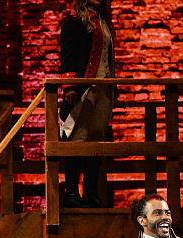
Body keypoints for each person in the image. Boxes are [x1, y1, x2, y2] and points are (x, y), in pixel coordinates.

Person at [57, 0, 115, 208]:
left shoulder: (104, 22)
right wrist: (70, 86)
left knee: (97, 139)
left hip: (104, 87)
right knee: (78, 138)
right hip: (85, 87)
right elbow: (68, 56)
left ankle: (91, 192)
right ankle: (72, 192)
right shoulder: (75, 23)